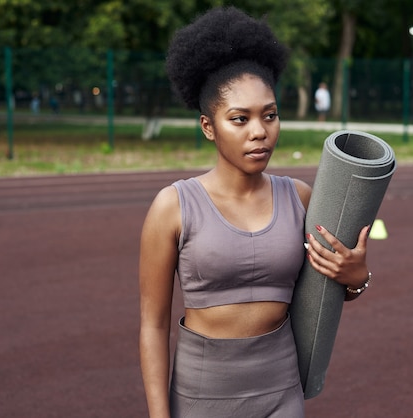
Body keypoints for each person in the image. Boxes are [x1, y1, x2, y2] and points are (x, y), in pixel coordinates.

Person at [139, 7, 371, 417]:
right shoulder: (173, 206)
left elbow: (326, 289)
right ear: (209, 127)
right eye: (239, 119)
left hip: (281, 389)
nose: (259, 131)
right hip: (201, 395)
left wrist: (356, 279)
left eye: (270, 115)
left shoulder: (300, 198)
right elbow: (153, 326)